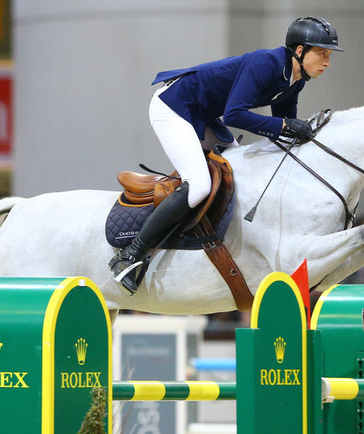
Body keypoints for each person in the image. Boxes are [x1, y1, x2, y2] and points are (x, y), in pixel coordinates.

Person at [109, 16, 343, 294]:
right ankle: (130, 255)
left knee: (238, 172)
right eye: (322, 53)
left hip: (204, 114)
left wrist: (303, 135)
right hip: (173, 107)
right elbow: (235, 114)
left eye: (329, 55)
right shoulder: (265, 64)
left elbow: (284, 130)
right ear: (300, 51)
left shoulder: (295, 81)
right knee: (198, 187)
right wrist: (285, 126)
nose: (327, 62)